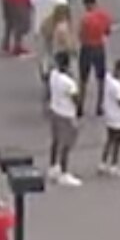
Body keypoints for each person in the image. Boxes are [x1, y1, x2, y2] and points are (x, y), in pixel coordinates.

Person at [44, 51, 84, 186]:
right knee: (66, 145)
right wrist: (79, 110)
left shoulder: (53, 75)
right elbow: (76, 99)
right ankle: (64, 173)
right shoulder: (69, 83)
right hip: (67, 114)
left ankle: (53, 166)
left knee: (55, 140)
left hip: (55, 110)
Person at [77, 0, 113, 107]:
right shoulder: (104, 16)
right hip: (99, 47)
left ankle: (81, 104)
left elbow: (81, 35)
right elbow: (107, 32)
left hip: (87, 48)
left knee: (83, 78)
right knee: (100, 78)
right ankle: (100, 105)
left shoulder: (85, 19)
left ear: (86, 4)